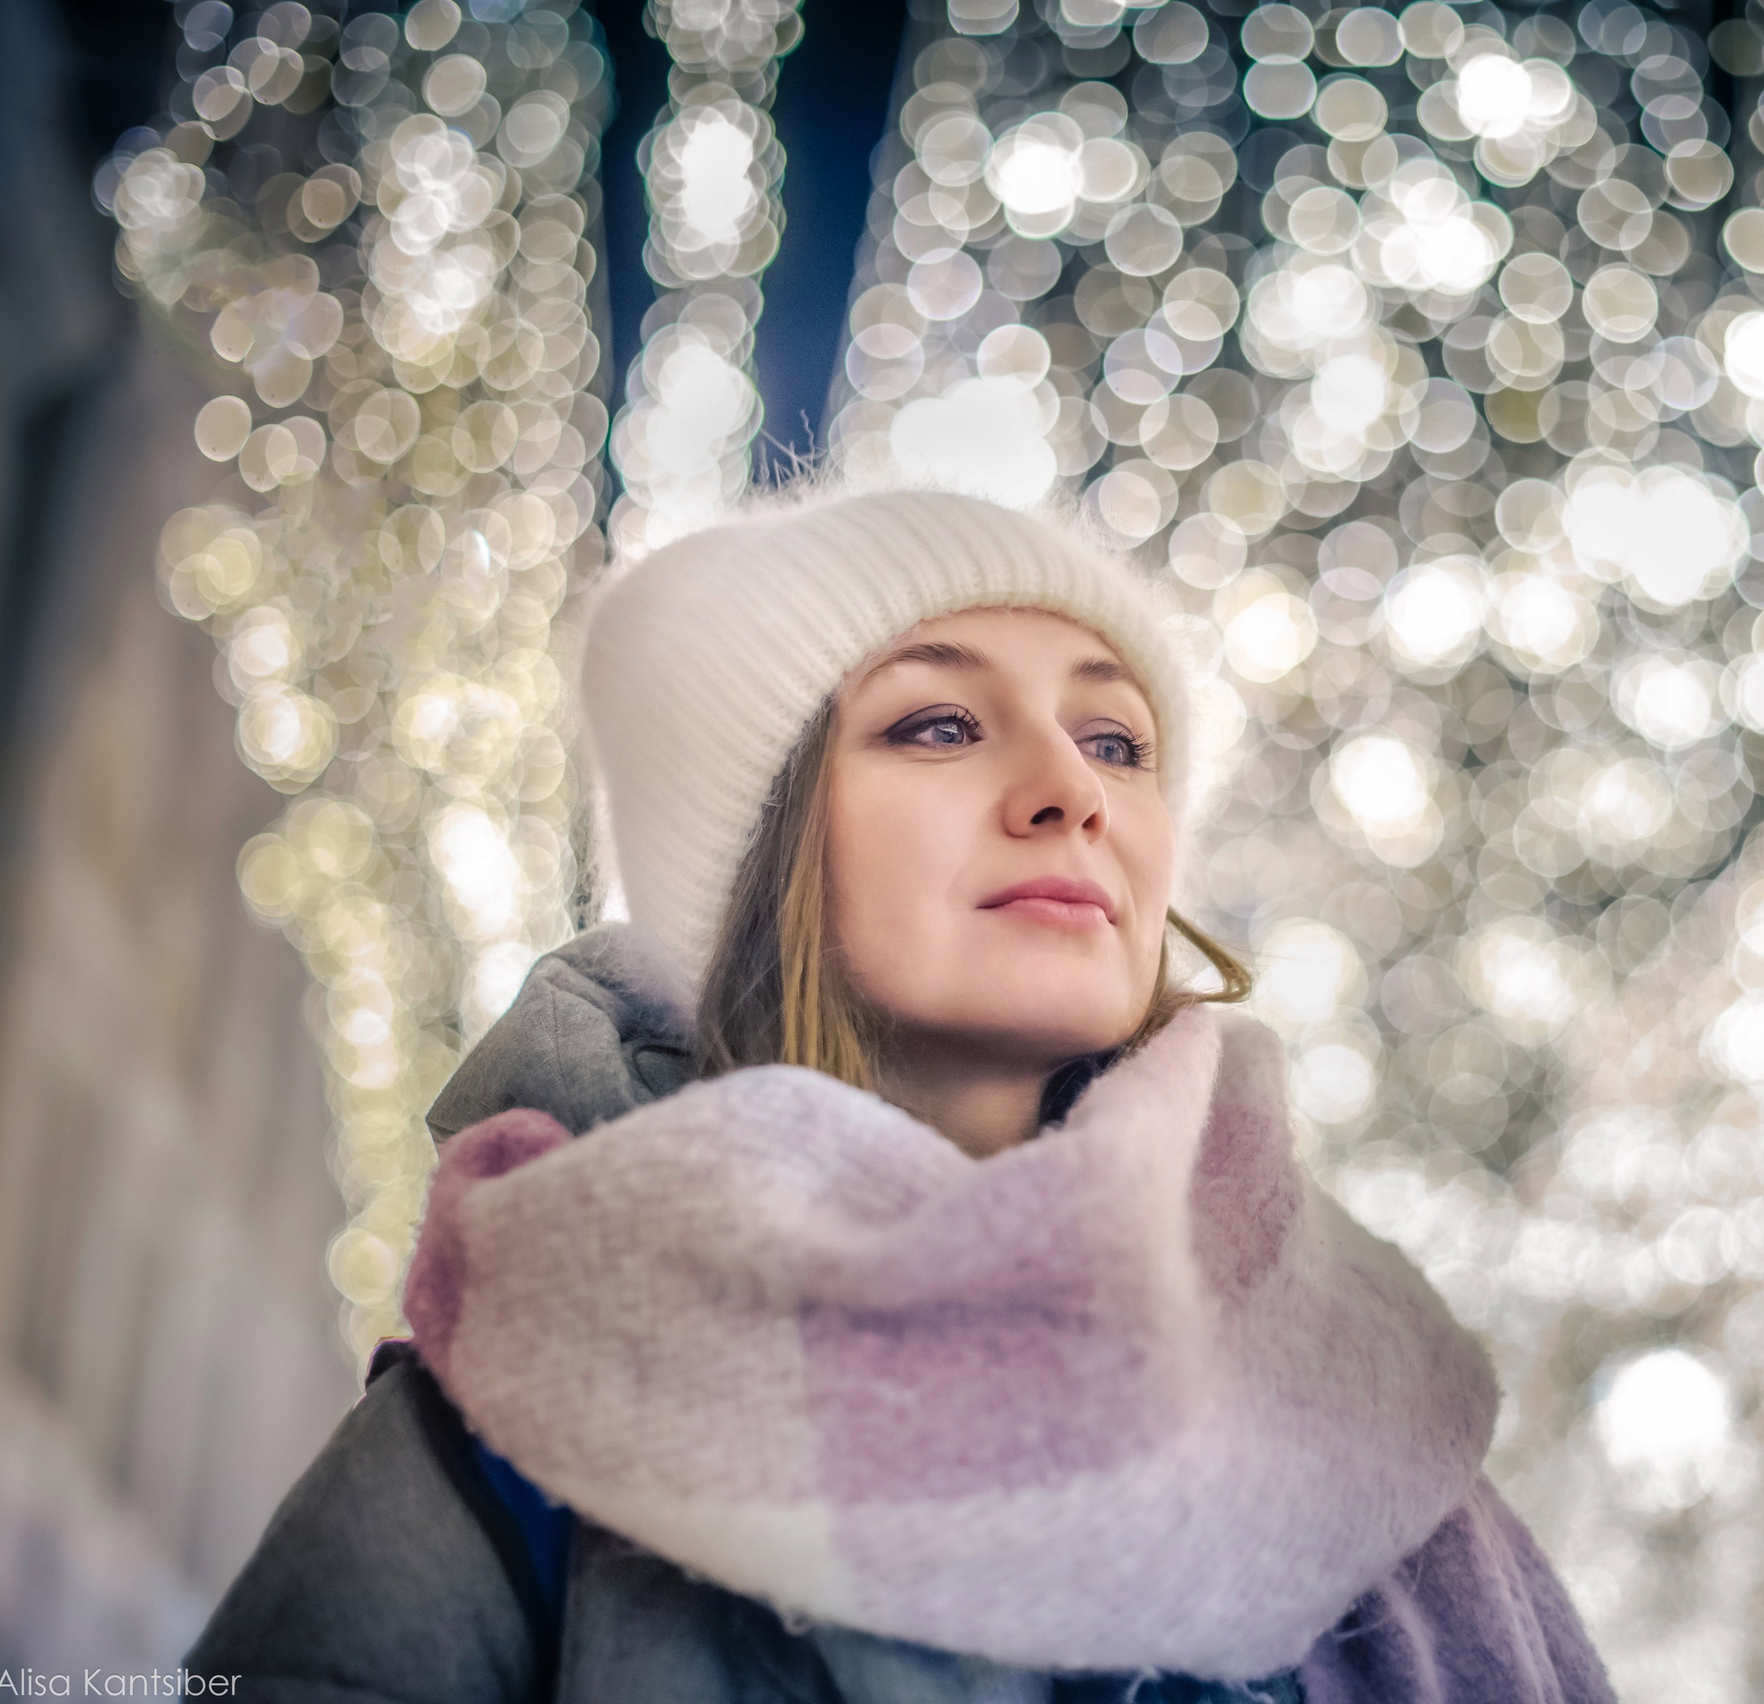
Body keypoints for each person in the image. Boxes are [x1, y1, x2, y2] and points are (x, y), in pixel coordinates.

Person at [186, 486, 1614, 1703]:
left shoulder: (1375, 1426)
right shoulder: (525, 1402)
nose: (1070, 788)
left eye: (1117, 743)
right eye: (938, 727)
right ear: (766, 850)